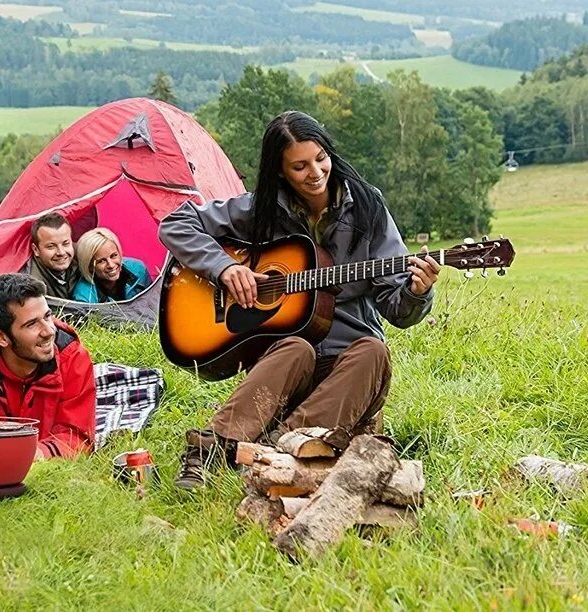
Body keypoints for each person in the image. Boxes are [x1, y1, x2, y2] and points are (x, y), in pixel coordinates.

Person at [159, 111, 440, 490]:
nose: (316, 172)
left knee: (373, 350)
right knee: (296, 346)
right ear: (280, 172)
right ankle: (210, 450)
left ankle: (281, 448)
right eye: (300, 166)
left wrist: (416, 292)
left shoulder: (368, 208)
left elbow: (396, 310)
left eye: (321, 158)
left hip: (346, 375)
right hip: (285, 368)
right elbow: (176, 224)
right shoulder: (262, 209)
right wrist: (225, 269)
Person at [0, 273, 95, 460]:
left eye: (47, 316)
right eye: (32, 324)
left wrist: (38, 454)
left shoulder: (73, 356)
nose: (49, 331)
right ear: (1, 337)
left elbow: (78, 436)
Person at [71, 227, 151, 303]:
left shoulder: (139, 270)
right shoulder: (84, 297)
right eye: (101, 261)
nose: (111, 265)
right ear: (90, 266)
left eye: (114, 255)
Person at [23, 213, 81, 300]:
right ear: (36, 250)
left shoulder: (84, 261)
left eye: (66, 244)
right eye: (51, 246)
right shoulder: (30, 284)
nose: (61, 252)